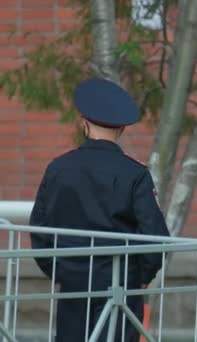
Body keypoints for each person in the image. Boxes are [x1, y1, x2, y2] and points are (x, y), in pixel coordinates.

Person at [29, 78, 170, 342]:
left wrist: (61, 271)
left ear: (83, 122)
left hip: (72, 284)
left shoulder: (59, 168)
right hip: (120, 285)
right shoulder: (134, 173)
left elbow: (39, 231)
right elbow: (154, 236)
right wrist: (137, 278)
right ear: (122, 129)